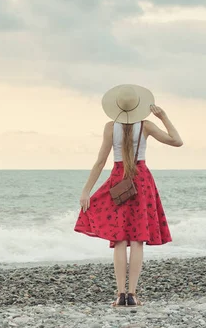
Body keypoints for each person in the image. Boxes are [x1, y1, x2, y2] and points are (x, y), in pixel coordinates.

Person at [74, 84, 183, 307]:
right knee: (137, 239)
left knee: (120, 239)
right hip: (141, 180)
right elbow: (177, 141)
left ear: (117, 107)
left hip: (118, 178)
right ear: (138, 106)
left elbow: (100, 162)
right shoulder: (146, 125)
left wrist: (87, 191)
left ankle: (120, 294)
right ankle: (132, 294)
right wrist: (164, 117)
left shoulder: (109, 127)